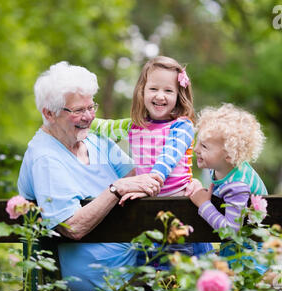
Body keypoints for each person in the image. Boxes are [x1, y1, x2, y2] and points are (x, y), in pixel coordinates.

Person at [17, 61, 163, 291]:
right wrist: (115, 189)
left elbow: (140, 178)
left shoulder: (95, 140)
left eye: (90, 107)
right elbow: (72, 226)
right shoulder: (45, 158)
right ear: (48, 113)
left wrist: (181, 181)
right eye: (77, 110)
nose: (88, 117)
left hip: (140, 270)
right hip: (100, 285)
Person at [91, 56, 213, 266]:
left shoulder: (181, 127)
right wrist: (80, 118)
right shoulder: (134, 126)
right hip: (147, 217)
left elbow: (167, 159)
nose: (160, 96)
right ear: (142, 92)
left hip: (179, 215)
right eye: (153, 89)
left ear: (178, 95)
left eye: (168, 91)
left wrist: (150, 182)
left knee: (182, 278)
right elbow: (104, 127)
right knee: (150, 275)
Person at [186, 103, 268, 274]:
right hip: (238, 251)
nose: (196, 149)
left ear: (229, 155)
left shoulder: (237, 185)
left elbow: (231, 232)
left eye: (204, 146)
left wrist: (203, 205)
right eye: (198, 143)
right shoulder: (222, 168)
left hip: (249, 260)